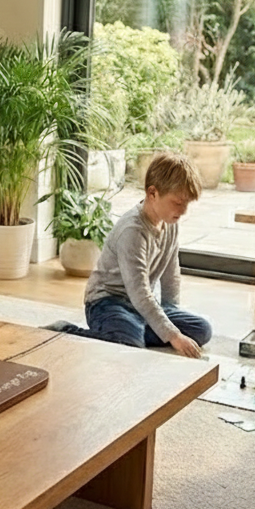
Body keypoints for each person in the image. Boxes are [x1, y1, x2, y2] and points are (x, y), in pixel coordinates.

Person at [45, 151, 212, 359]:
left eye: (187, 203)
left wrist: (170, 317)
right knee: (129, 347)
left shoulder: (170, 223)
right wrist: (173, 335)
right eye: (178, 203)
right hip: (108, 303)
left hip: (140, 306)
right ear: (153, 193)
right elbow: (139, 291)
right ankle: (65, 330)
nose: (184, 210)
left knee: (201, 330)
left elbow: (171, 274)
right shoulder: (132, 231)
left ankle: (138, 328)